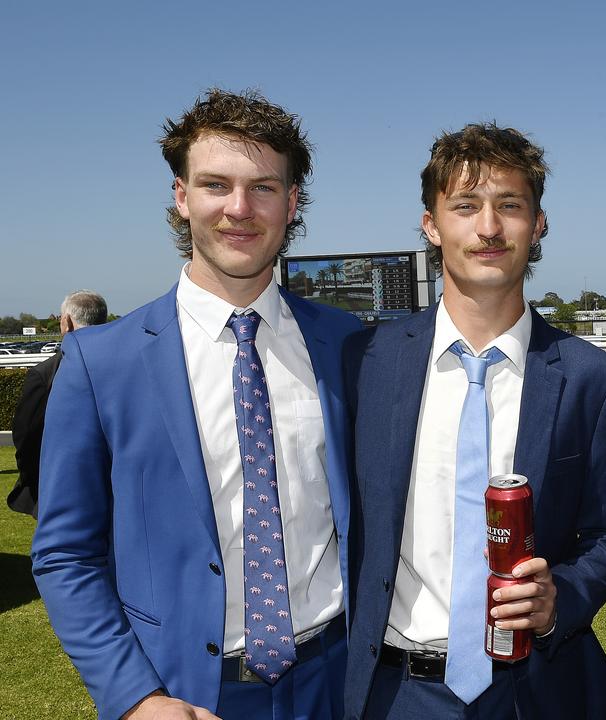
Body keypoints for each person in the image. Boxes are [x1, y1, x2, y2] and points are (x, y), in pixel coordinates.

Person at [31, 89, 360, 720]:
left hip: (335, 680)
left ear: (292, 204)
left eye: (264, 187)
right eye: (215, 184)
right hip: (182, 691)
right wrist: (134, 697)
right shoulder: (101, 363)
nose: (240, 209)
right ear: (181, 198)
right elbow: (65, 553)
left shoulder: (347, 346)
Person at [342, 122, 606, 720]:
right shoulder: (366, 364)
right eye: (466, 206)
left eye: (510, 206)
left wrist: (563, 597)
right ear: (431, 224)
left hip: (537, 694)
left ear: (539, 223)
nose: (489, 227)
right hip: (397, 693)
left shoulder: (587, 377)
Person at [8, 289, 107, 517]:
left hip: (59, 488)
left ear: (67, 323)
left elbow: (26, 437)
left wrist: (35, 479)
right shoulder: (128, 367)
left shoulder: (45, 374)